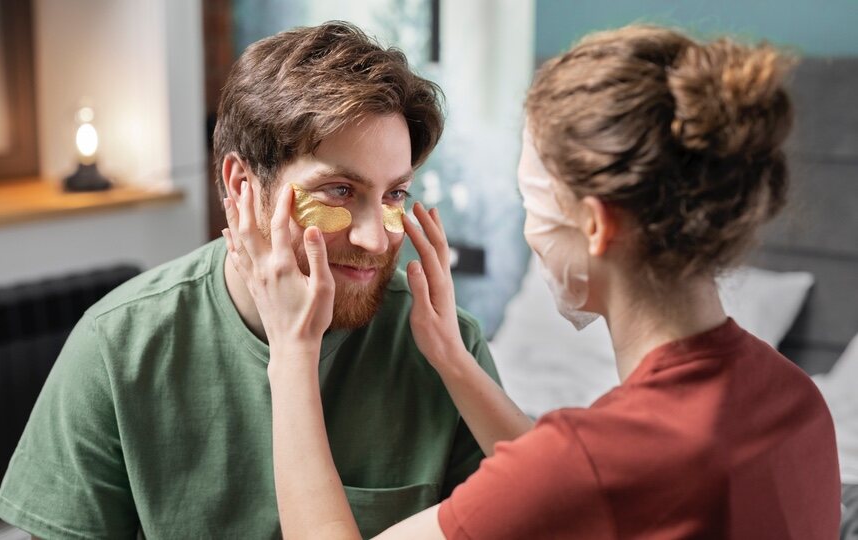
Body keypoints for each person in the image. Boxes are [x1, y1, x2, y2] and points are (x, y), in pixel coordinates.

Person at [225, 24, 842, 538]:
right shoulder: (795, 401)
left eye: (534, 204)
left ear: (595, 225)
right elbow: (570, 478)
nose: (530, 236)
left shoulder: (591, 463)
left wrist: (292, 352)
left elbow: (572, 474)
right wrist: (452, 361)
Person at [0, 22, 504, 538]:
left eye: (395, 194)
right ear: (240, 185)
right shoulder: (115, 348)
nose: (376, 239)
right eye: (340, 191)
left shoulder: (445, 349)